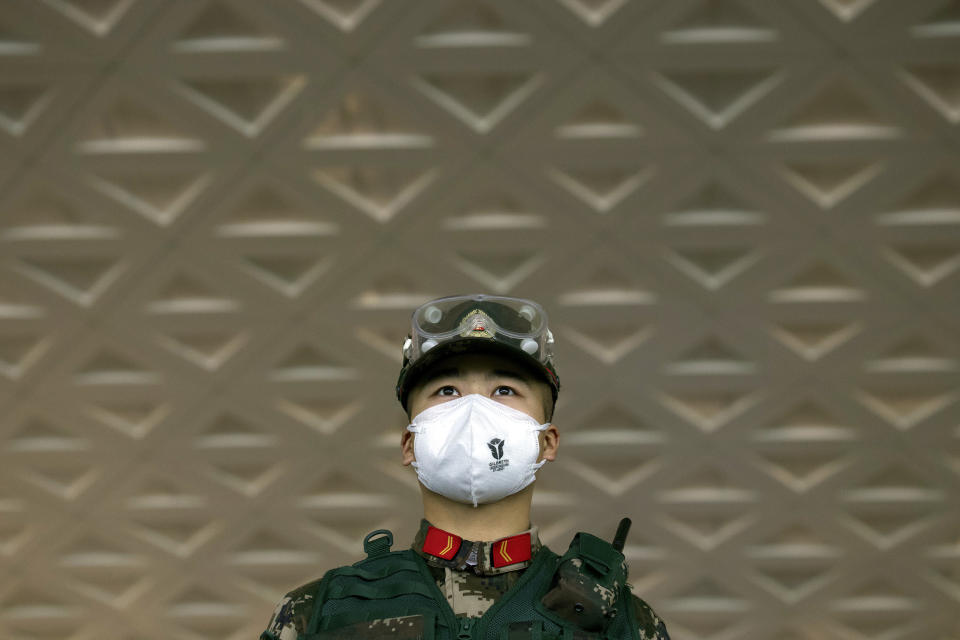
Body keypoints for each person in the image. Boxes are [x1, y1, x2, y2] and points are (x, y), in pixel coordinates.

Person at [260, 294, 670, 639]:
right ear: (410, 444)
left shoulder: (623, 622)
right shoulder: (320, 611)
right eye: (447, 390)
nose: (474, 409)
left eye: (504, 390)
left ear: (546, 442)